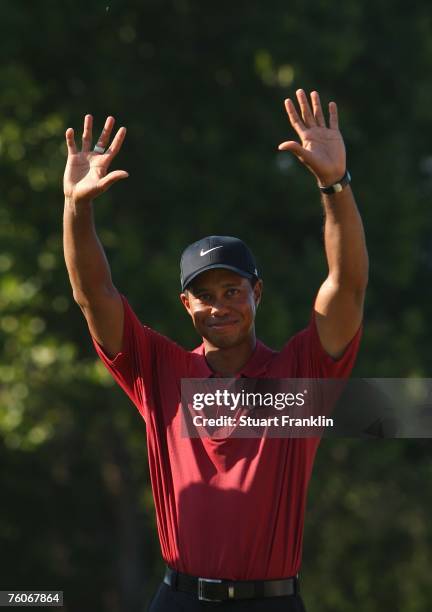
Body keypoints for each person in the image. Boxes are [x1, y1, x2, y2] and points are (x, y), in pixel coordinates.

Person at [63, 89, 368, 611]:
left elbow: (346, 286)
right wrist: (76, 209)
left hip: (271, 602)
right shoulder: (158, 370)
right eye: (205, 295)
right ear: (186, 304)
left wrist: (334, 185)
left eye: (232, 291)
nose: (219, 306)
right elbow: (95, 297)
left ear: (257, 293)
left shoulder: (299, 375)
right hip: (178, 598)